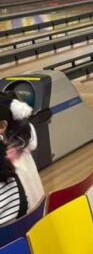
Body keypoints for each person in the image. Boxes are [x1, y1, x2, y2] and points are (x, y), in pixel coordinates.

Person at [0, 91, 43, 224]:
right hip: (39, 217)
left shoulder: (6, 163)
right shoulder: (22, 144)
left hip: (19, 228)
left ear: (2, 126)